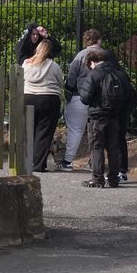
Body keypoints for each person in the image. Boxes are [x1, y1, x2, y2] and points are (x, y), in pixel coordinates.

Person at [78, 49, 132, 188]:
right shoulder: (119, 74)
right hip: (115, 116)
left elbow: (85, 97)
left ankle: (97, 178)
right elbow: (130, 95)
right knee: (113, 147)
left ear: (91, 62)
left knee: (97, 147)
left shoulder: (94, 75)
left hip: (97, 116)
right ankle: (114, 179)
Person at [61, 29, 102, 170]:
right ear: (99, 40)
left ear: (86, 41)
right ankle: (94, 162)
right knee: (97, 131)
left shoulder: (81, 55)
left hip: (79, 96)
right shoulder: (106, 55)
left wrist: (68, 93)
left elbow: (71, 77)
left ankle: (68, 162)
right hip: (100, 99)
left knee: (75, 130)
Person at [23, 39, 64, 173]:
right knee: (44, 133)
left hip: (28, 97)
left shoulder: (27, 63)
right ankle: (38, 165)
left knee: (29, 131)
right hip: (48, 98)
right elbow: (60, 82)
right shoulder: (54, 66)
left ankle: (25, 162)